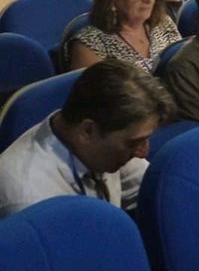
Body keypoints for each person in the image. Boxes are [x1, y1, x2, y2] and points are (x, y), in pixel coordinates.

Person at [0, 60, 173, 218]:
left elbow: (159, 193)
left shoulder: (110, 139)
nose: (143, 152)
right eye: (134, 143)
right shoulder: (27, 199)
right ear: (87, 131)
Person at [67, 0, 182, 72]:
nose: (149, 0)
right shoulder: (90, 44)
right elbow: (96, 91)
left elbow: (183, 65)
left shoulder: (163, 23)